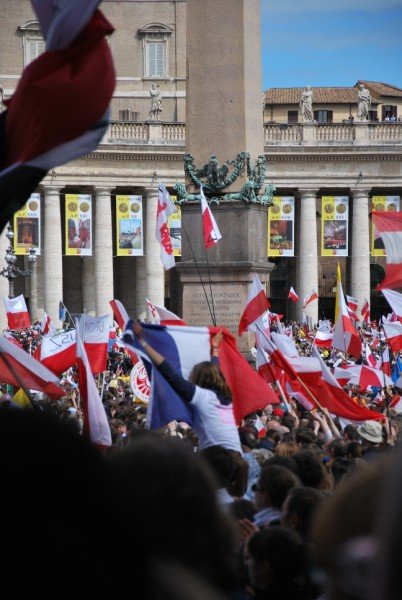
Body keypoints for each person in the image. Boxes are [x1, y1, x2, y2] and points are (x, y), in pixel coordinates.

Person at [132, 322, 242, 452]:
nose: (190, 378)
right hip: (236, 454)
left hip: (218, 458)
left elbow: (169, 373)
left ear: (199, 379)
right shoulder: (225, 397)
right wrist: (215, 349)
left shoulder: (202, 396)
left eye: (192, 375)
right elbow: (215, 371)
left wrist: (142, 342)